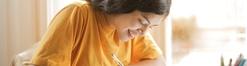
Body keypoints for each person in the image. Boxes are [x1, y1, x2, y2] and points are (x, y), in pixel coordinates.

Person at [30, 0, 171, 66]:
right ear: (124, 4)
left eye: (151, 27)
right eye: (143, 22)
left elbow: (159, 61)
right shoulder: (77, 14)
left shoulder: (131, 32)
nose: (144, 32)